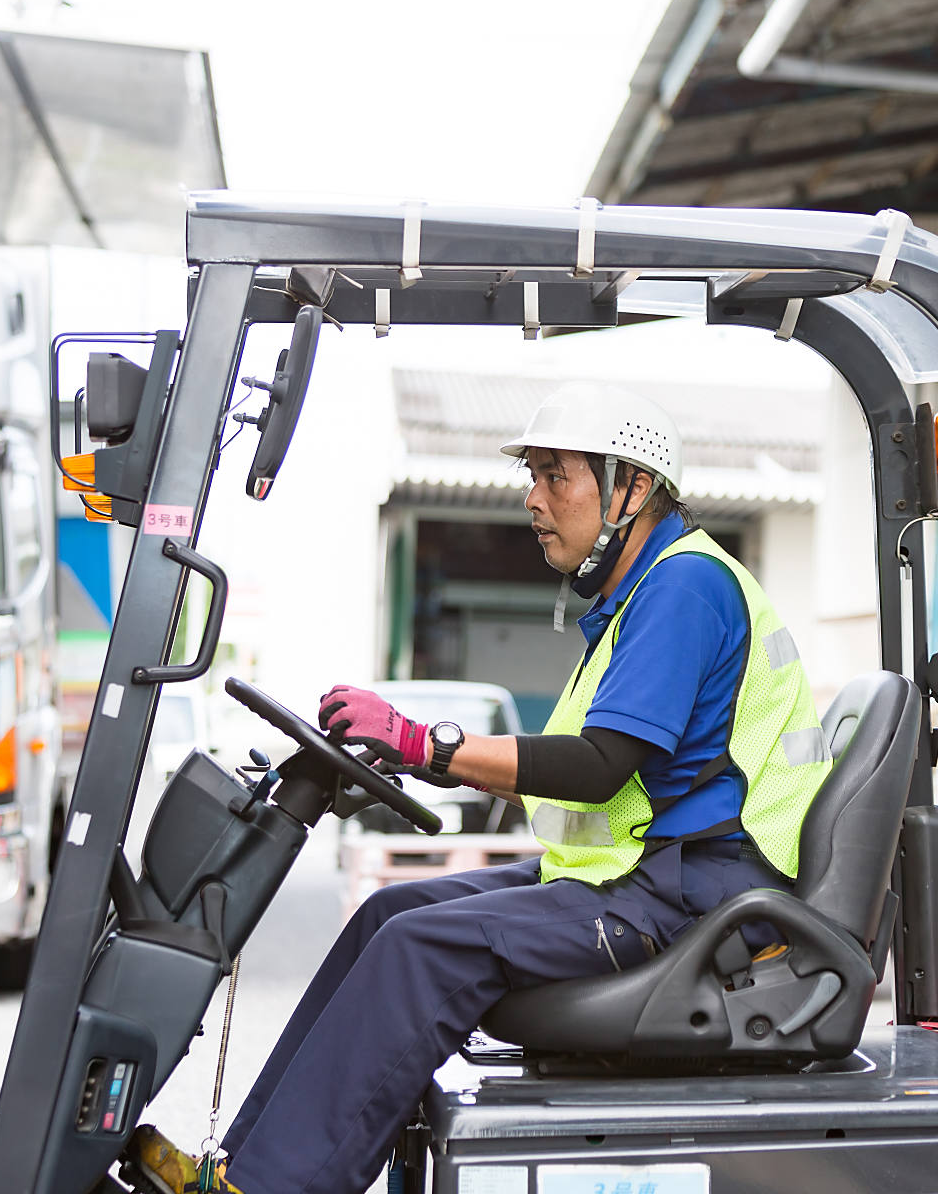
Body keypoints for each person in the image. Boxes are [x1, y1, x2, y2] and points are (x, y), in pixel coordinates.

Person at [125, 382, 831, 1194]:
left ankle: (272, 1189)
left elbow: (599, 766)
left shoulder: (684, 587)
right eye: (533, 476)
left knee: (418, 947)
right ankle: (242, 1166)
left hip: (693, 901)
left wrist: (427, 743)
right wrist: (419, 759)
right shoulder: (645, 594)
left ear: (632, 488)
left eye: (555, 476)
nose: (534, 499)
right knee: (387, 914)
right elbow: (587, 779)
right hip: (648, 876)